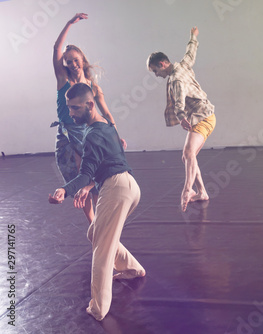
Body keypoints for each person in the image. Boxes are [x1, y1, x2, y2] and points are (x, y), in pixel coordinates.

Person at [48, 83, 144, 321]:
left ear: (90, 105)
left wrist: (64, 189)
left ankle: (99, 308)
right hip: (130, 187)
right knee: (96, 234)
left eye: (75, 108)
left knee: (101, 250)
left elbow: (84, 174)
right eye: (69, 108)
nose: (70, 113)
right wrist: (91, 187)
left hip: (116, 190)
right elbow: (111, 162)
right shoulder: (108, 126)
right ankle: (132, 268)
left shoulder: (92, 134)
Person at [52, 13, 126, 224]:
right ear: (65, 64)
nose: (73, 64)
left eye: (76, 60)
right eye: (69, 61)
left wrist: (115, 137)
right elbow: (56, 49)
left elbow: (107, 114)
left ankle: (99, 220)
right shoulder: (62, 79)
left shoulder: (94, 87)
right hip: (67, 132)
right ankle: (93, 222)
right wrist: (69, 24)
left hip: (87, 133)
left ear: (82, 60)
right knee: (78, 176)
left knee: (91, 177)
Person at [146, 26, 215, 212]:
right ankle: (201, 192)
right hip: (202, 116)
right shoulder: (182, 65)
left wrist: (182, 116)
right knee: (187, 156)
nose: (156, 76)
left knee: (188, 154)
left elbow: (179, 102)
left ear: (162, 64)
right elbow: (190, 53)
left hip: (204, 118)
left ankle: (187, 190)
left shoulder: (176, 78)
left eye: (155, 71)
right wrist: (193, 36)